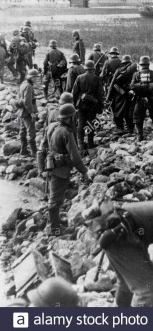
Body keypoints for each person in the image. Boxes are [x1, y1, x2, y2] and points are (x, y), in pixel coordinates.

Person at [44, 104, 91, 236]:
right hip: (60, 170)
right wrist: (85, 172)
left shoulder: (54, 127)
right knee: (55, 201)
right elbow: (75, 157)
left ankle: (51, 222)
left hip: (52, 166)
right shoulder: (66, 133)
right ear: (69, 118)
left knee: (53, 197)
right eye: (73, 116)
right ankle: (55, 229)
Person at [72, 60, 103, 153]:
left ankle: (80, 144)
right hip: (93, 105)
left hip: (81, 105)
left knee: (81, 123)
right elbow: (100, 94)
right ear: (93, 69)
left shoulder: (79, 77)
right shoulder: (97, 79)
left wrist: (74, 104)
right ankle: (90, 144)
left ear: (85, 68)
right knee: (91, 123)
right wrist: (100, 106)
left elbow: (74, 93)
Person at [130, 56, 153, 141]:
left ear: (141, 64)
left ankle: (140, 135)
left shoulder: (136, 74)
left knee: (138, 116)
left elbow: (132, 86)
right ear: (148, 64)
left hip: (140, 99)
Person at [106, 54, 137, 134]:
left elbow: (112, 84)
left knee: (117, 112)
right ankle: (130, 129)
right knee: (130, 112)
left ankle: (120, 128)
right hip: (130, 94)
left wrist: (108, 98)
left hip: (119, 94)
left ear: (122, 63)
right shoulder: (135, 71)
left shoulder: (119, 71)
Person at [18, 69, 40, 157]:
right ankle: (34, 152)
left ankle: (23, 150)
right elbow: (27, 102)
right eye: (35, 77)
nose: (36, 79)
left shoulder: (23, 83)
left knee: (22, 131)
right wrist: (32, 113)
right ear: (31, 77)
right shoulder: (29, 86)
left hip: (22, 112)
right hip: (27, 113)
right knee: (31, 133)